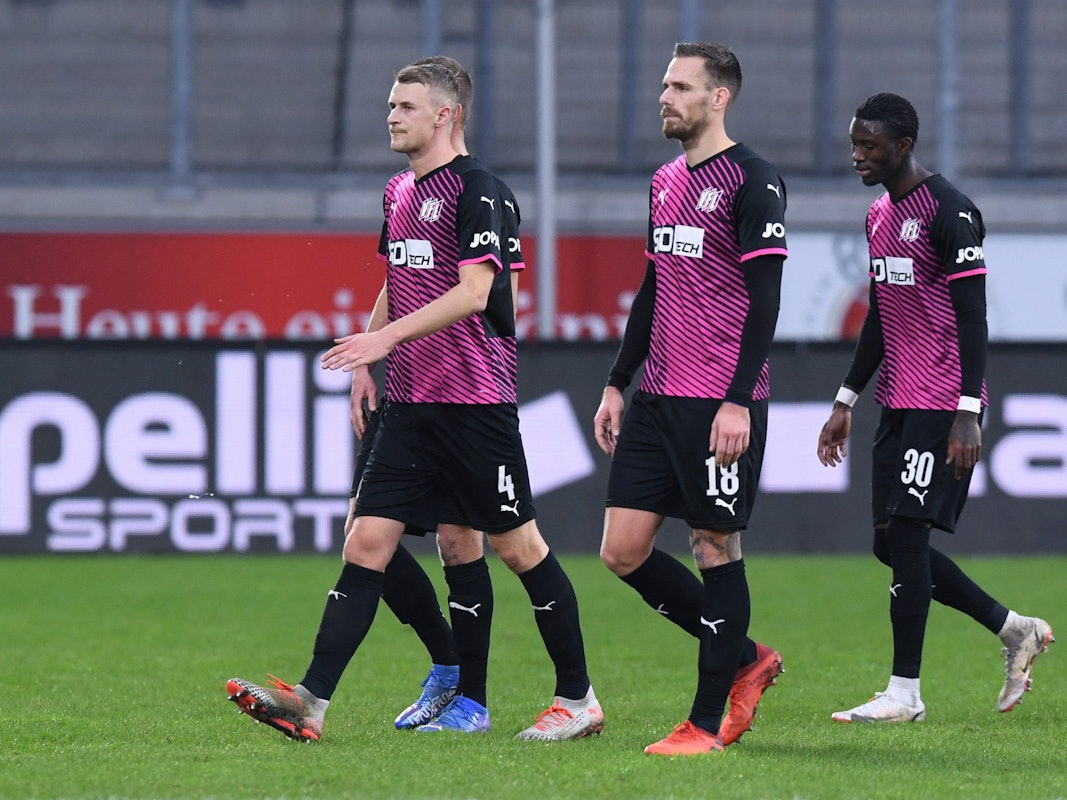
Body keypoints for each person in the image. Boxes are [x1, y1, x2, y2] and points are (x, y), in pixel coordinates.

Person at [227, 59, 602, 742]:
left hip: (474, 404)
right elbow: (398, 277)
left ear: (445, 114)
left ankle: (576, 700)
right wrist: (371, 358)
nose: (391, 116)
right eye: (389, 105)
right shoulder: (398, 191)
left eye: (405, 105)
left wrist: (381, 342)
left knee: (516, 548)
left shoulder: (480, 190)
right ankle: (311, 702)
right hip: (409, 400)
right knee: (367, 539)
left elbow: (473, 291)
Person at [817, 92, 1054, 723]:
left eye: (869, 145)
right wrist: (846, 398)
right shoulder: (877, 216)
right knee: (886, 544)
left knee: (908, 535)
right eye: (854, 144)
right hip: (897, 397)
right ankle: (1013, 629)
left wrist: (968, 410)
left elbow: (974, 318)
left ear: (903, 146)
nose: (857, 155)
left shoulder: (952, 212)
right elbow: (879, 313)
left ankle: (905, 693)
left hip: (942, 400)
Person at [594, 42, 786, 756]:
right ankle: (746, 657)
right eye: (663, 86)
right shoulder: (663, 181)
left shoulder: (753, 180)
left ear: (719, 97)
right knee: (621, 551)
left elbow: (766, 300)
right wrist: (618, 380)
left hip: (717, 403)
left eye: (678, 87)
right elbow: (652, 291)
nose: (664, 98)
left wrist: (737, 400)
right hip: (656, 397)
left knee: (712, 545)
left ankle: (705, 722)